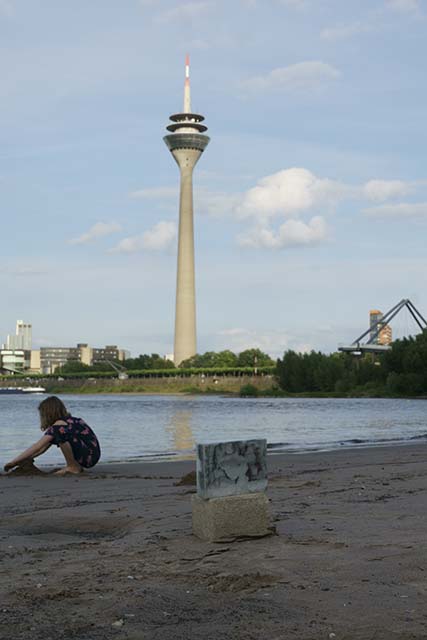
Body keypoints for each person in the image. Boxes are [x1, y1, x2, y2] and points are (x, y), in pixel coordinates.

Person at [3, 396, 101, 476]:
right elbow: (42, 449)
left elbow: (37, 446)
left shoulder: (58, 427)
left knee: (60, 433)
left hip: (87, 456)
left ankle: (72, 467)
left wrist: (14, 461)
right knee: (59, 434)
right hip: (93, 455)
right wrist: (23, 460)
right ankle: (75, 466)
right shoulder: (74, 421)